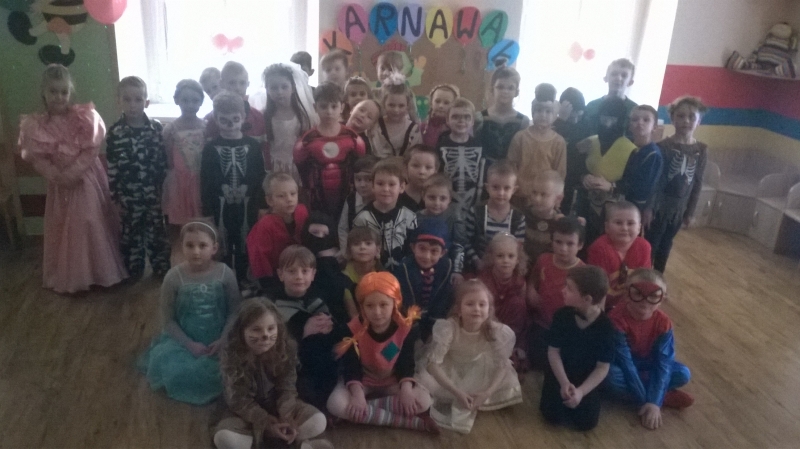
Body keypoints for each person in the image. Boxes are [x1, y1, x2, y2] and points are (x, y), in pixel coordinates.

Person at [18, 64, 127, 293]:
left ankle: (100, 272)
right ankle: (76, 275)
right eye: (53, 91)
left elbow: (91, 150)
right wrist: (57, 176)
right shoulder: (35, 126)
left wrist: (73, 173)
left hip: (86, 180)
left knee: (90, 220)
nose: (59, 97)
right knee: (66, 227)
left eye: (63, 92)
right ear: (44, 92)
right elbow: (37, 159)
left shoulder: (84, 117)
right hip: (60, 185)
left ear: (70, 92)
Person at [139, 221, 241, 405]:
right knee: (181, 371)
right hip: (186, 339)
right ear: (181, 247)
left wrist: (224, 339)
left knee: (238, 367)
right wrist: (189, 344)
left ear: (214, 248)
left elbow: (234, 311)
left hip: (222, 337)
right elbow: (168, 320)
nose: (196, 251)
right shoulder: (173, 277)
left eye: (202, 245)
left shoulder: (225, 273)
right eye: (190, 245)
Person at [326, 272, 438, 433]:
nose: (377, 312)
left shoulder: (404, 328)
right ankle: (412, 423)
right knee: (335, 404)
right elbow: (351, 366)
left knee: (424, 401)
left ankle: (363, 411)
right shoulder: (352, 329)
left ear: (395, 303)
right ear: (362, 307)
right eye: (370, 306)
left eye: (383, 305)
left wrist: (406, 390)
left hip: (391, 381)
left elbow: (406, 362)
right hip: (362, 382)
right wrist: (357, 396)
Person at [213, 298, 328, 449]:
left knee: (319, 421)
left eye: (271, 328)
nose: (266, 335)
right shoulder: (232, 357)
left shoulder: (286, 349)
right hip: (246, 416)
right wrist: (266, 423)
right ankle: (288, 441)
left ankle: (275, 439)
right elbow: (238, 401)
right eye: (256, 329)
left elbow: (287, 388)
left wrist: (287, 418)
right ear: (241, 332)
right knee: (224, 438)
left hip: (279, 408)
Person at [417, 279, 522, 433]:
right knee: (426, 382)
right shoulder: (449, 328)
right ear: (459, 309)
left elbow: (502, 364)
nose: (476, 309)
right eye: (470, 304)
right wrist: (456, 392)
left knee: (507, 377)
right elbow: (432, 365)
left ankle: (480, 397)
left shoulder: (494, 331)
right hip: (450, 367)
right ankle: (458, 395)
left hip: (477, 366)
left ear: (489, 309)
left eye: (482, 304)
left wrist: (487, 393)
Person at [605, 268, 693, 430]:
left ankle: (647, 395)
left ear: (662, 299)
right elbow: (626, 363)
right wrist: (649, 402)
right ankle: (664, 396)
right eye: (638, 293)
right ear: (626, 293)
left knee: (683, 374)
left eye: (653, 296)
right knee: (610, 376)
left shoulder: (664, 323)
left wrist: (654, 402)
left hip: (649, 365)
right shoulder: (616, 320)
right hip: (622, 367)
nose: (645, 301)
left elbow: (664, 363)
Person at [106, 76, 171, 279]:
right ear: (118, 101)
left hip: (153, 194)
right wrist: (115, 195)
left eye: (138, 99)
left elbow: (162, 162)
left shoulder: (156, 129)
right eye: (127, 99)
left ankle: (161, 268)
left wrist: (163, 190)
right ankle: (133, 270)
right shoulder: (115, 133)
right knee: (130, 235)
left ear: (146, 102)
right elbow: (112, 166)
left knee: (157, 233)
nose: (133, 105)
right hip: (128, 196)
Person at [201, 91, 266, 280]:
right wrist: (207, 211)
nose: (230, 126)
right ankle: (225, 279)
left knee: (247, 240)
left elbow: (260, 176)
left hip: (248, 203)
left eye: (235, 120)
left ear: (243, 117)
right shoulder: (210, 148)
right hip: (220, 203)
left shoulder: (253, 146)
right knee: (223, 241)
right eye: (224, 120)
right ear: (215, 119)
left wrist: (262, 205)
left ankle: (244, 280)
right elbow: (205, 180)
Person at [539, 265, 614, 431]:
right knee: (551, 416)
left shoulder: (606, 328)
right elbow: (553, 351)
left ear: (587, 299)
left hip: (586, 377)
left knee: (586, 423)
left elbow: (602, 367)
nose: (563, 290)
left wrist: (581, 391)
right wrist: (564, 382)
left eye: (569, 288)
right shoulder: (562, 315)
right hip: (561, 371)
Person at [272, 245, 341, 412]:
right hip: (295, 366)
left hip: (322, 361)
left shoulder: (317, 299)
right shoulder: (274, 305)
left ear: (313, 274)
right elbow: (274, 342)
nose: (299, 277)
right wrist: (303, 332)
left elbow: (333, 325)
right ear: (281, 274)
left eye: (304, 271)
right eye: (292, 271)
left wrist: (330, 325)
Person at [647, 96, 708, 273]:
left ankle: (658, 278)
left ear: (699, 121)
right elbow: (655, 181)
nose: (686, 121)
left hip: (679, 209)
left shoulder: (701, 149)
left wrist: (690, 212)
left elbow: (697, 182)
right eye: (680, 116)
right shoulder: (662, 147)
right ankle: (644, 279)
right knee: (651, 245)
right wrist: (649, 208)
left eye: (691, 117)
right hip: (658, 208)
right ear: (672, 118)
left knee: (666, 244)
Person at [294, 82, 365, 217]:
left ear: (342, 107)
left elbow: (361, 167)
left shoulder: (352, 138)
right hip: (316, 201)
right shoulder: (306, 141)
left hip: (347, 198)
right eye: (323, 106)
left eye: (334, 106)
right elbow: (302, 172)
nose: (329, 111)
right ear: (315, 107)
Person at [575, 96, 637, 245]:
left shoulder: (631, 149)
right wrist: (583, 177)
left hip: (612, 211)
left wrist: (611, 186)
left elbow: (632, 184)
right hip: (584, 204)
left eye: (613, 119)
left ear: (620, 120)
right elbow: (575, 169)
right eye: (604, 118)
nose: (607, 123)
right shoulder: (590, 142)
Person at [528, 217, 586, 367]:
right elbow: (533, 279)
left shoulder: (583, 272)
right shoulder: (543, 260)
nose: (563, 248)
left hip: (566, 330)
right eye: (558, 242)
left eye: (570, 244)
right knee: (536, 359)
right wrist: (531, 290)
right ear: (551, 241)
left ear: (580, 245)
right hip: (542, 323)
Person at [476, 232, 530, 373]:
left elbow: (523, 309)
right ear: (492, 258)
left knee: (519, 303)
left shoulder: (519, 281)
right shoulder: (484, 280)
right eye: (500, 256)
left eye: (511, 256)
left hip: (511, 324)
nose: (506, 260)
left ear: (518, 259)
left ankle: (514, 347)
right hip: (489, 319)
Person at [392, 218, 453, 341]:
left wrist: (434, 327)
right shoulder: (404, 269)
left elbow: (443, 299)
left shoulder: (446, 267)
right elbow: (404, 301)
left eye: (434, 251)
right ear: (413, 247)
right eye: (422, 248)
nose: (427, 256)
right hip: (407, 323)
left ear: (443, 253)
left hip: (434, 320)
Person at [507, 83, 567, 208]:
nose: (543, 115)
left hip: (545, 199)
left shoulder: (558, 142)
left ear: (555, 115)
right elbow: (511, 166)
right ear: (532, 112)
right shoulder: (520, 137)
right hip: (520, 197)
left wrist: (556, 199)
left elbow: (560, 173)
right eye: (539, 110)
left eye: (548, 111)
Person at [352, 158, 418, 269]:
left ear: (401, 187)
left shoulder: (409, 217)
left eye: (391, 184)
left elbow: (413, 248)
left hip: (404, 272)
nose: (386, 189)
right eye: (380, 184)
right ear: (373, 186)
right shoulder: (362, 218)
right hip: (372, 272)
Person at [246, 172, 308, 291]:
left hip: (302, 271)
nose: (289, 199)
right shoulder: (264, 226)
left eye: (293, 194)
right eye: (281, 196)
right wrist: (271, 286)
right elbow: (260, 260)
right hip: (275, 277)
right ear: (270, 200)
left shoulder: (302, 213)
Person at [587, 201, 652, 310]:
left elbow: (645, 281)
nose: (624, 228)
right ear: (607, 227)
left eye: (630, 223)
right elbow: (597, 289)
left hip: (632, 304)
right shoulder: (599, 249)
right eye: (618, 223)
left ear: (639, 228)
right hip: (603, 304)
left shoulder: (644, 247)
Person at [463, 160, 526, 272]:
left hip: (506, 270)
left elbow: (518, 248)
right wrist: (477, 261)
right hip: (480, 267)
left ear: (514, 190)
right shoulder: (476, 212)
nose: (501, 193)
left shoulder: (518, 218)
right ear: (487, 187)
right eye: (495, 187)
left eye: (506, 188)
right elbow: (466, 241)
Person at [162, 79, 206, 229]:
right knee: (182, 221)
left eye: (195, 100)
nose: (190, 105)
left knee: (202, 220)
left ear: (201, 102)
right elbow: (168, 157)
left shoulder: (205, 126)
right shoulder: (171, 129)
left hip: (200, 179)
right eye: (185, 100)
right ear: (177, 100)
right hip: (180, 181)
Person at [262, 63, 316, 180]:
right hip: (274, 167)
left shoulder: (302, 116)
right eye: (274, 88)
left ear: (293, 88)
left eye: (284, 87)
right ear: (267, 90)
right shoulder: (264, 116)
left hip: (298, 166)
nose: (279, 92)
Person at [474, 60, 530, 167]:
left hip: (511, 172)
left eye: (510, 88)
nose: (505, 91)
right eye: (500, 87)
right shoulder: (480, 118)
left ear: (516, 92)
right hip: (484, 171)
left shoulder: (523, 121)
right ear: (492, 89)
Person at [437, 97, 485, 218]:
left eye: (466, 117)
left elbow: (481, 171)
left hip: (473, 198)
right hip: (447, 199)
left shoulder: (478, 144)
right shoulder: (441, 144)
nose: (461, 121)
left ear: (473, 121)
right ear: (447, 120)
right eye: (455, 117)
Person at [204, 62, 267, 147]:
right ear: (221, 83)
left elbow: (264, 149)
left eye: (242, 83)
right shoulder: (210, 121)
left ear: (248, 84)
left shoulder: (258, 118)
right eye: (232, 83)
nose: (237, 88)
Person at [417, 173, 466, 282]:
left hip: (446, 266)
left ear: (449, 199)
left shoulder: (454, 216)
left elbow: (459, 245)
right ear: (423, 196)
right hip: (420, 264)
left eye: (442, 198)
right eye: (432, 197)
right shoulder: (416, 217)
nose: (437, 203)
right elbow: (411, 246)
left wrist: (457, 270)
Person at [617, 105, 664, 217]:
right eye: (635, 119)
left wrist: (613, 187)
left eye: (646, 120)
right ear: (629, 125)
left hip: (635, 207)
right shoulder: (625, 146)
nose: (640, 123)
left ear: (654, 127)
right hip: (618, 200)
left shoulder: (653, 154)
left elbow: (643, 189)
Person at [553, 87, 592, 212]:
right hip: (556, 177)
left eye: (578, 116)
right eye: (571, 117)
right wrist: (561, 120)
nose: (575, 120)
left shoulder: (586, 124)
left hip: (577, 179)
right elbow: (552, 146)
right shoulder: (555, 122)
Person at [369, 73, 421, 158]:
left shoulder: (414, 129)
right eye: (391, 105)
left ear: (407, 106)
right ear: (383, 104)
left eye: (401, 106)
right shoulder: (376, 126)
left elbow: (416, 155)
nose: (396, 110)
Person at [584, 58, 637, 135]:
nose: (618, 78)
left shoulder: (635, 110)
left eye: (624, 75)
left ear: (630, 82)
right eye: (614, 74)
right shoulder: (592, 106)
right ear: (606, 78)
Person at [522, 170, 566, 264]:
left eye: (543, 194)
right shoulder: (522, 215)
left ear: (558, 198)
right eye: (534, 192)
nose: (537, 198)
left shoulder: (560, 222)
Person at [337, 155, 378, 252]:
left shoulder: (382, 200)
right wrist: (346, 251)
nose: (362, 185)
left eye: (368, 179)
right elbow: (343, 229)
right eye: (358, 179)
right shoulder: (351, 200)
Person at [341, 226, 383, 319]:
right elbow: (353, 314)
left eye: (368, 243)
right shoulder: (342, 277)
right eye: (356, 244)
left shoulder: (383, 274)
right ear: (349, 250)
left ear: (378, 250)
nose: (362, 247)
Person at [399, 144, 438, 212]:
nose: (422, 172)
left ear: (435, 171)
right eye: (415, 166)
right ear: (405, 168)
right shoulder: (395, 196)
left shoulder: (440, 199)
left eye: (428, 167)